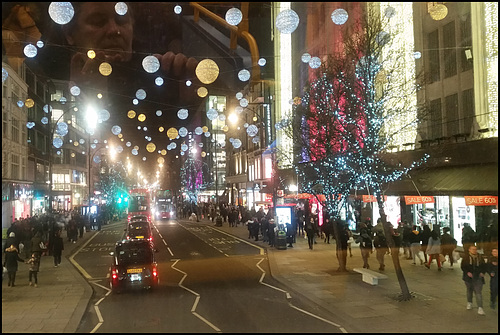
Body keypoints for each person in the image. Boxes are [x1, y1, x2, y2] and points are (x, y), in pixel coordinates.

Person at [461, 244, 487, 315]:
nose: (474, 251)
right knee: (469, 290)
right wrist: (467, 272)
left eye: (475, 249)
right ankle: (469, 302)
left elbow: (484, 266)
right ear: (469, 250)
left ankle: (480, 307)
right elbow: (463, 266)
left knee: (478, 292)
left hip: (478, 277)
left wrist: (483, 272)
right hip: (468, 277)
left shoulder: (480, 257)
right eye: (473, 249)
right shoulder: (466, 257)